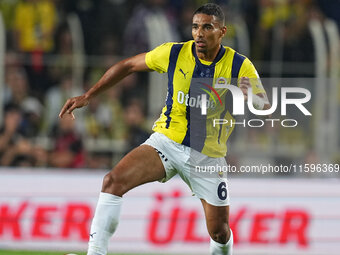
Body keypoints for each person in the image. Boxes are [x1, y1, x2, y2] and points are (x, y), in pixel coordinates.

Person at [59, 3, 270, 255]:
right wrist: (88, 95)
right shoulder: (173, 53)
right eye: (195, 26)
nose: (199, 33)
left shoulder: (239, 65)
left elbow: (263, 102)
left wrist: (250, 95)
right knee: (112, 181)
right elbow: (127, 65)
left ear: (222, 32)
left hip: (207, 156)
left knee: (219, 231)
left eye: (207, 27)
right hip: (166, 143)